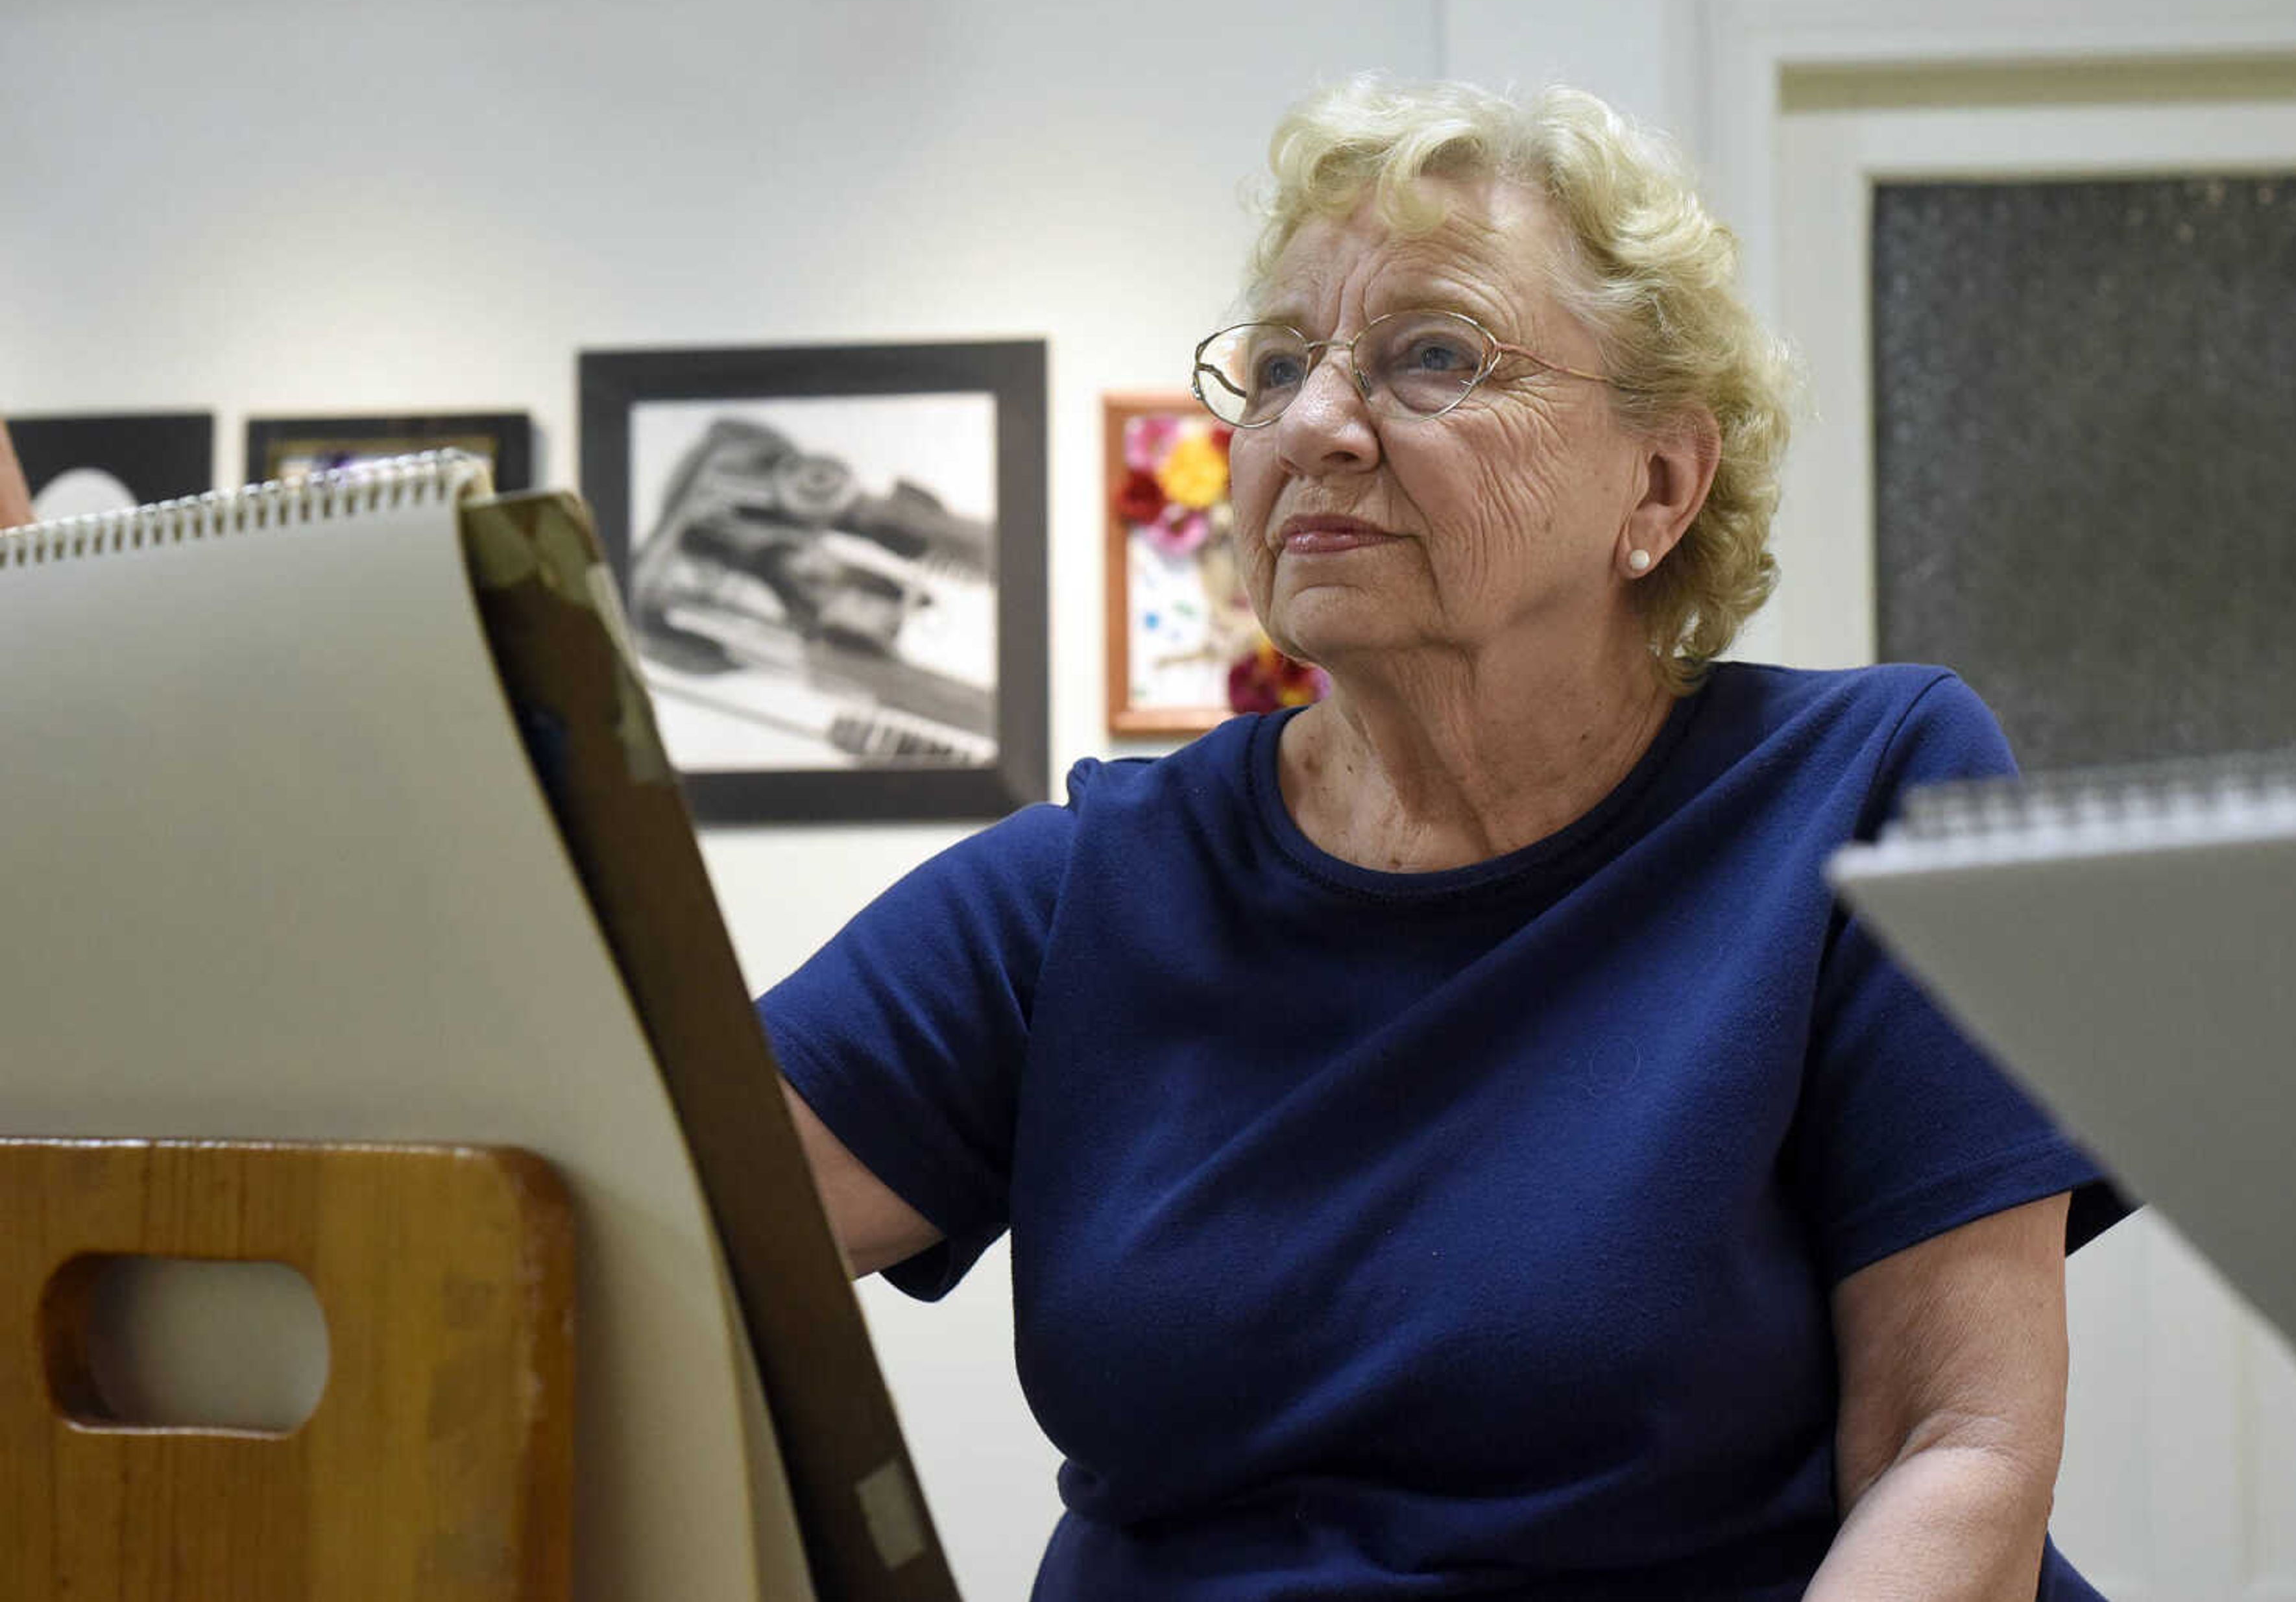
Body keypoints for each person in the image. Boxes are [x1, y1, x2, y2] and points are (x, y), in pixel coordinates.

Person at [763, 77, 2128, 1601]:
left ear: (1659, 483)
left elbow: (1964, 1449)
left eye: (1434, 356)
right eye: (1278, 366)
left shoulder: (1864, 793)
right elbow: (643, 1221)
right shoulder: (1085, 888)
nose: (1319, 425)